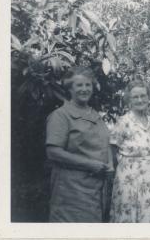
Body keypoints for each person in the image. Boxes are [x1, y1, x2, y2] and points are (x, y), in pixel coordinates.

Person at [45, 66, 114, 222]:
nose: (84, 89)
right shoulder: (61, 115)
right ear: (70, 88)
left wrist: (109, 163)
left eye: (88, 85)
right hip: (70, 190)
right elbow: (53, 152)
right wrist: (90, 164)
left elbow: (105, 142)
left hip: (95, 191)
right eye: (79, 85)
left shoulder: (95, 115)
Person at [109, 80, 150, 223]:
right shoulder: (124, 121)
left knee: (148, 217)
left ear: (148, 98)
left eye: (143, 96)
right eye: (135, 97)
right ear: (129, 100)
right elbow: (112, 148)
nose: (140, 100)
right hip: (128, 179)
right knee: (128, 217)